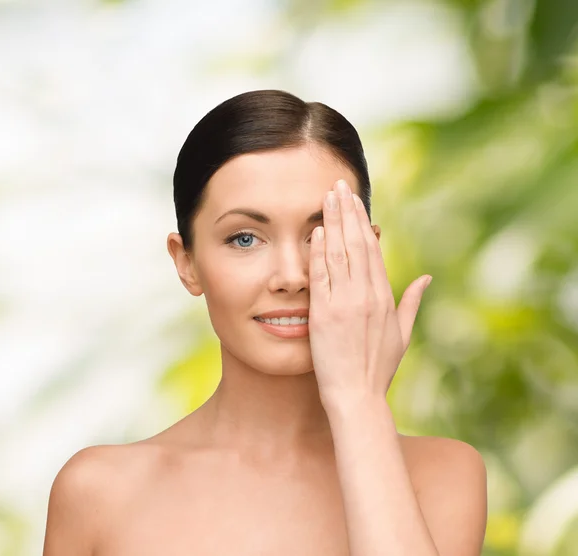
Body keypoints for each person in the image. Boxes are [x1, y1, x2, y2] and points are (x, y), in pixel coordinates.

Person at [43, 89, 488, 555]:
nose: (292, 277)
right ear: (187, 262)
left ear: (367, 252)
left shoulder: (442, 474)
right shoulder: (99, 492)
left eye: (321, 234)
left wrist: (360, 402)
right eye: (244, 239)